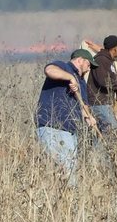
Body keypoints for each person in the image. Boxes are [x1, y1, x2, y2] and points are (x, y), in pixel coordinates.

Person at [35, 49, 98, 185]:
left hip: (69, 131)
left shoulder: (81, 83)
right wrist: (70, 77)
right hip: (52, 127)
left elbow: (83, 106)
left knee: (69, 169)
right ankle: (65, 196)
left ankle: (66, 201)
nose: (89, 68)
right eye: (88, 64)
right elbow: (49, 70)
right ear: (79, 60)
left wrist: (89, 118)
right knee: (64, 167)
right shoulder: (63, 66)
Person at [88, 35, 117, 132]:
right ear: (114, 48)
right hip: (99, 102)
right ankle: (102, 148)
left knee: (103, 131)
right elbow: (103, 80)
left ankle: (99, 147)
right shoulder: (101, 60)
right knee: (111, 129)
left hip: (104, 102)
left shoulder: (108, 60)